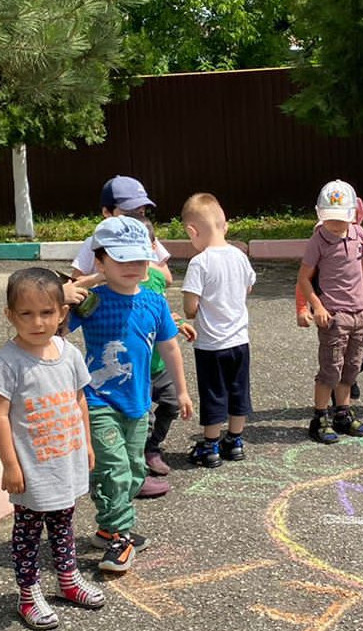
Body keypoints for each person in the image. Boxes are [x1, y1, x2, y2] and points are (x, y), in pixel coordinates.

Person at [0, 268, 104, 630]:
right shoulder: (7, 363)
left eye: (47, 312)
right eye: (26, 314)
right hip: (31, 468)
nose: (37, 322)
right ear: (10, 315)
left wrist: (87, 443)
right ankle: (28, 592)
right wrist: (10, 465)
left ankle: (68, 579)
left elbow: (79, 400)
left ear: (62, 312)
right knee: (28, 532)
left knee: (64, 523)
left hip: (65, 460)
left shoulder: (70, 354)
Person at [68, 216, 193, 573]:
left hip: (138, 403)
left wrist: (183, 391)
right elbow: (53, 327)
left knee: (135, 470)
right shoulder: (91, 301)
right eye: (121, 259)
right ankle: (120, 538)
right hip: (98, 400)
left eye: (140, 259)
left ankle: (107, 528)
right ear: (100, 260)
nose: (132, 267)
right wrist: (76, 288)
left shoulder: (154, 302)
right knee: (114, 468)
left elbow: (170, 347)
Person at [70, 175, 173, 498]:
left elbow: (164, 274)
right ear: (107, 211)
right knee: (116, 458)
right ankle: (117, 501)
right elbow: (73, 289)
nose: (137, 216)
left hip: (145, 356)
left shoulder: (144, 239)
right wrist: (97, 280)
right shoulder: (97, 245)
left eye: (141, 210)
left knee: (149, 416)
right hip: (102, 384)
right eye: (129, 211)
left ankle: (141, 461)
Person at [298, 179, 363, 443]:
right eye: (329, 218)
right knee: (330, 369)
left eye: (340, 218)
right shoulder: (318, 240)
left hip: (358, 314)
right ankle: (320, 417)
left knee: (351, 368)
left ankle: (342, 413)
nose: (334, 224)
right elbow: (304, 278)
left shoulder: (359, 235)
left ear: (352, 214)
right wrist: (317, 306)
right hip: (333, 316)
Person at [180, 193, 257, 467]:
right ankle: (235, 441)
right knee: (238, 390)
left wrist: (192, 310)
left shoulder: (199, 262)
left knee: (213, 393)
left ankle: (210, 446)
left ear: (193, 231)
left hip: (211, 345)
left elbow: (190, 308)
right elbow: (248, 287)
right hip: (239, 340)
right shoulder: (239, 256)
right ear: (225, 226)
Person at [139, 219, 196, 484]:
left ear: (153, 247)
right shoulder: (118, 284)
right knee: (143, 417)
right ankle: (138, 460)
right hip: (137, 368)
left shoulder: (157, 278)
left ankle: (152, 447)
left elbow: (162, 311)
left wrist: (177, 323)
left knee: (172, 403)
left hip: (159, 363)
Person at [70, 175, 173, 287]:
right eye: (127, 214)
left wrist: (142, 262)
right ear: (106, 212)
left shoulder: (145, 238)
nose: (134, 219)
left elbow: (167, 279)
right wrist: (104, 275)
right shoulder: (95, 242)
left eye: (140, 213)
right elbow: (75, 281)